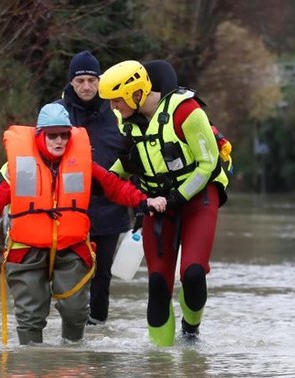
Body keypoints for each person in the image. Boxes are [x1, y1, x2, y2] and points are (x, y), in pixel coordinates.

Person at [0, 103, 166, 345]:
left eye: (64, 134)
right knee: (30, 316)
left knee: (76, 312)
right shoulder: (17, 166)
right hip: (26, 250)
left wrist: (145, 201)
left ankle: (72, 360)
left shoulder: (83, 164)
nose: (59, 140)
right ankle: (32, 364)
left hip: (72, 247)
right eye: (52, 135)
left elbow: (115, 187)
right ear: (40, 135)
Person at [98, 60, 229, 347]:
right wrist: (105, 179)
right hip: (157, 204)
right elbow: (131, 158)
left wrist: (176, 198)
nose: (113, 107)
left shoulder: (187, 112)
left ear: (135, 93)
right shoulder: (126, 120)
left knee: (193, 274)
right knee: (158, 284)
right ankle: (159, 361)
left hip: (198, 197)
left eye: (117, 100)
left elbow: (208, 164)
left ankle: (191, 331)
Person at [55, 50, 131, 326]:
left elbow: (134, 158)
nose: (86, 87)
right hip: (68, 208)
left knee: (102, 275)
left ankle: (98, 331)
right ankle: (71, 328)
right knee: (70, 271)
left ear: (100, 81)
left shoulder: (117, 111)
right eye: (80, 81)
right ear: (71, 83)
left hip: (111, 207)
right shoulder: (57, 112)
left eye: (91, 80)